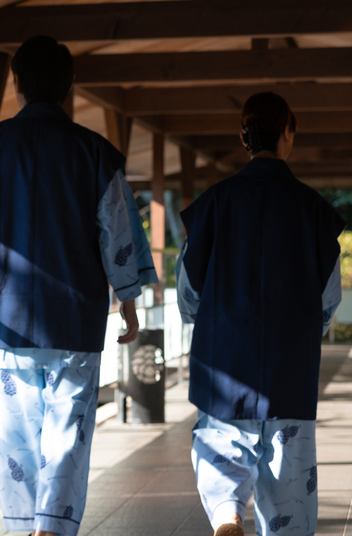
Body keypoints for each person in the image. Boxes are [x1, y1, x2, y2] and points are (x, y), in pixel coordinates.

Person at [0, 35, 157, 536]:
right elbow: (119, 233)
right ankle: (52, 528)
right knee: (69, 433)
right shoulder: (95, 154)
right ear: (69, 86)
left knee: (19, 439)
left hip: (10, 319)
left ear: (17, 83)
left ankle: (25, 524)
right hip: (77, 319)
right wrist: (128, 302)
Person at [177, 92, 344, 536]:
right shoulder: (315, 212)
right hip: (290, 372)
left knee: (222, 458)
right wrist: (305, 330)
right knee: (290, 491)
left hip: (223, 363)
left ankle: (229, 516)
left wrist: (214, 322)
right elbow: (329, 299)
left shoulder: (214, 203)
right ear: (288, 132)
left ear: (244, 136)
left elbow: (189, 291)